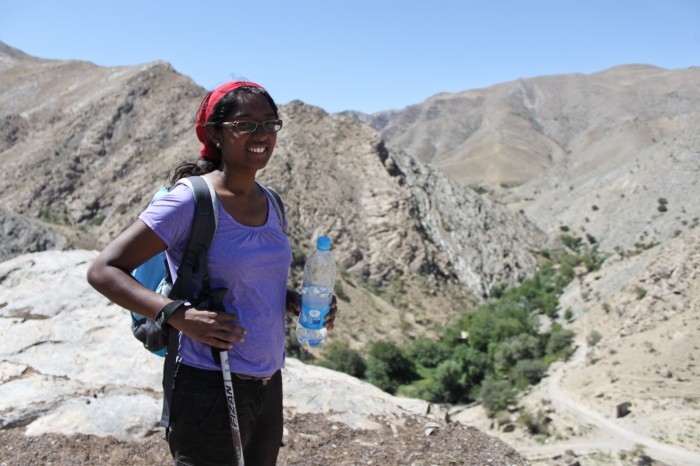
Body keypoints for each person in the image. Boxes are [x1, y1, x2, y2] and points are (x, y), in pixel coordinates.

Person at [87, 80, 338, 465]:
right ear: (215, 134)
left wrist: (293, 301)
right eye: (245, 124)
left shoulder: (271, 202)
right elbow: (104, 270)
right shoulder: (190, 200)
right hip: (207, 382)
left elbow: (249, 277)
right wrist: (178, 315)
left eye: (270, 123)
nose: (261, 135)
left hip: (268, 381)